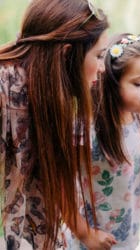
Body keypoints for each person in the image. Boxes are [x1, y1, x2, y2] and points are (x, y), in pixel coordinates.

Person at [0, 0, 110, 249]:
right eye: (99, 56)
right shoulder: (5, 90)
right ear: (67, 54)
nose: (103, 68)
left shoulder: (44, 94)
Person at [64, 33, 140, 249]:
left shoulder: (136, 119)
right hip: (89, 241)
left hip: (125, 238)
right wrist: (86, 233)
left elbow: (122, 166)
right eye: (139, 83)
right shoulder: (87, 129)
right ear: (111, 83)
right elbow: (61, 187)